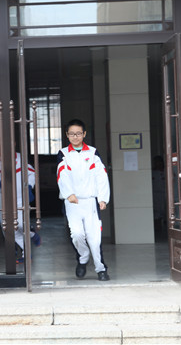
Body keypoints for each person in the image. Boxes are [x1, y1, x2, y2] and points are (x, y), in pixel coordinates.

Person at [56, 119, 110, 281]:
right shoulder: (63, 153)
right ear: (67, 135)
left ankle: (101, 269)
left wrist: (103, 198)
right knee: (77, 234)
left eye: (78, 133)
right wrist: (69, 193)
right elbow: (62, 174)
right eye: (72, 134)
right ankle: (83, 257)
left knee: (94, 238)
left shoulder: (93, 153)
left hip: (90, 201)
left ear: (84, 134)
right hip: (72, 202)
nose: (75, 137)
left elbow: (101, 176)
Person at [0, 152, 41, 263]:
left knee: (20, 224)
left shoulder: (21, 159)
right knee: (9, 229)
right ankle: (27, 252)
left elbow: (32, 173)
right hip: (5, 198)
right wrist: (0, 185)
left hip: (21, 198)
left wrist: (29, 186)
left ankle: (32, 235)